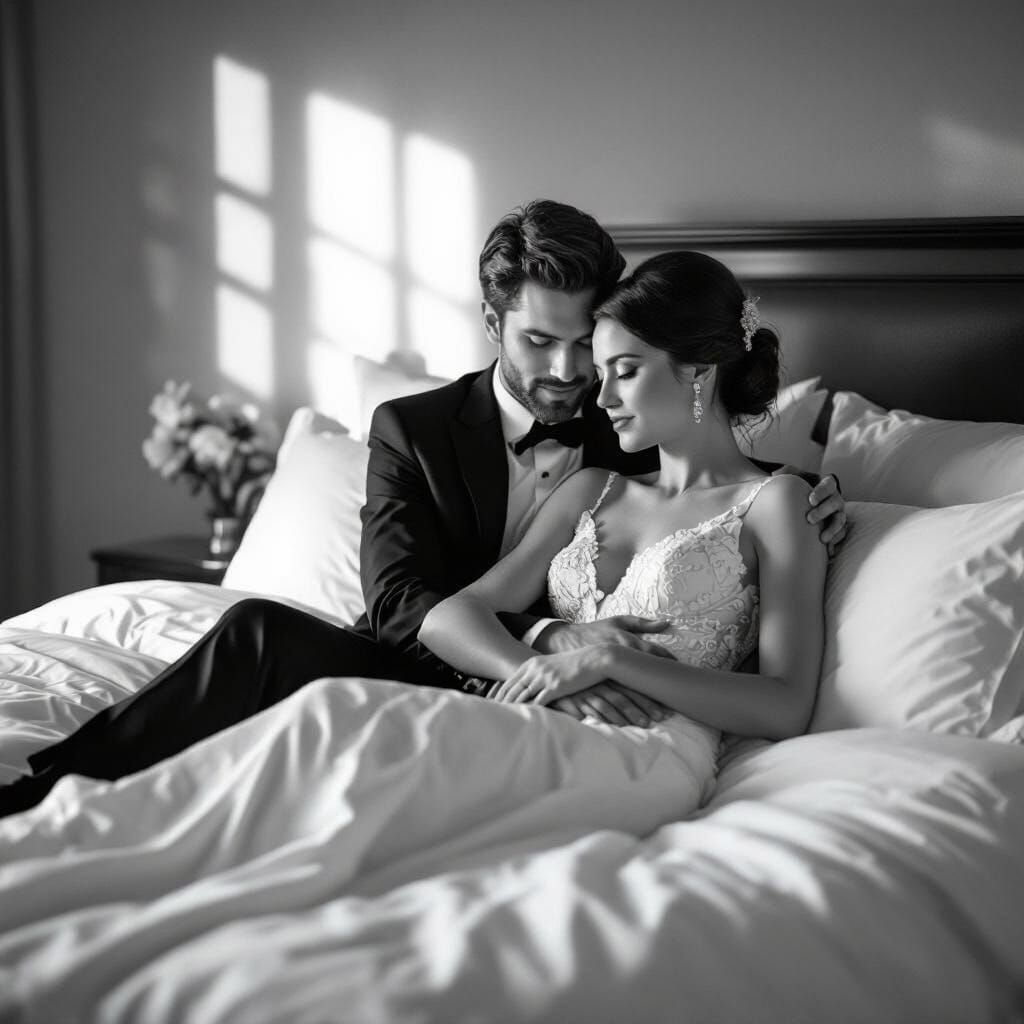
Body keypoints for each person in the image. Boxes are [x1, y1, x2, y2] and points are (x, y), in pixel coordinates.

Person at [0, 202, 843, 816]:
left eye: (592, 349)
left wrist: (808, 493)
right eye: (537, 342)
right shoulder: (414, 427)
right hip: (436, 662)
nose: (572, 371)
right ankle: (43, 792)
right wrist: (556, 645)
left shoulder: (628, 424)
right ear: (491, 323)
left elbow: (706, 475)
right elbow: (401, 607)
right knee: (257, 638)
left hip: (596, 721)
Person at [419, 249, 827, 738]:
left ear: (700, 371)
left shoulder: (778, 503)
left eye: (626, 371)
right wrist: (544, 670)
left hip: (648, 746)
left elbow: (786, 706)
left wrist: (610, 661)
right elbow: (445, 619)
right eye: (602, 372)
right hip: (524, 715)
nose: (602, 396)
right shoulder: (592, 490)